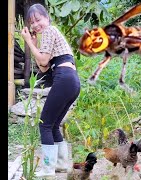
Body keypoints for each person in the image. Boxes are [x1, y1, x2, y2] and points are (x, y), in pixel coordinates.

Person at [21, 3, 81, 178]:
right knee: (53, 125)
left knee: (44, 124)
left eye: (38, 19)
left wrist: (28, 43)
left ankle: (48, 169)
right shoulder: (49, 34)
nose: (36, 25)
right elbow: (44, 66)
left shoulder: (49, 31)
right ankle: (61, 165)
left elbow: (44, 59)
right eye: (32, 23)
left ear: (46, 18)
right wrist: (33, 43)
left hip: (64, 79)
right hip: (71, 81)